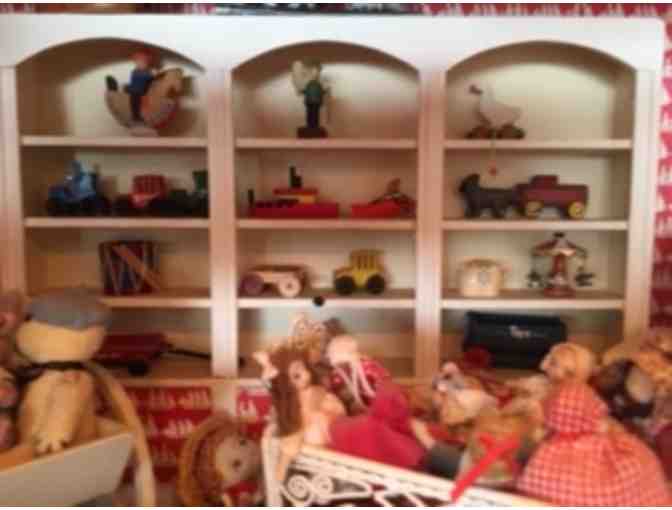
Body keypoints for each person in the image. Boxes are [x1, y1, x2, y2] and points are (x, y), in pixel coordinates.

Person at [125, 50, 156, 123]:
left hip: (142, 93)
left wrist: (151, 77)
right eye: (137, 62)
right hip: (134, 92)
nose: (139, 64)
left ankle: (142, 118)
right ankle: (135, 117)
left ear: (147, 63)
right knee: (133, 105)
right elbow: (133, 81)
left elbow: (150, 80)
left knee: (142, 106)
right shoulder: (134, 71)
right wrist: (129, 88)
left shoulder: (148, 72)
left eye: (143, 62)